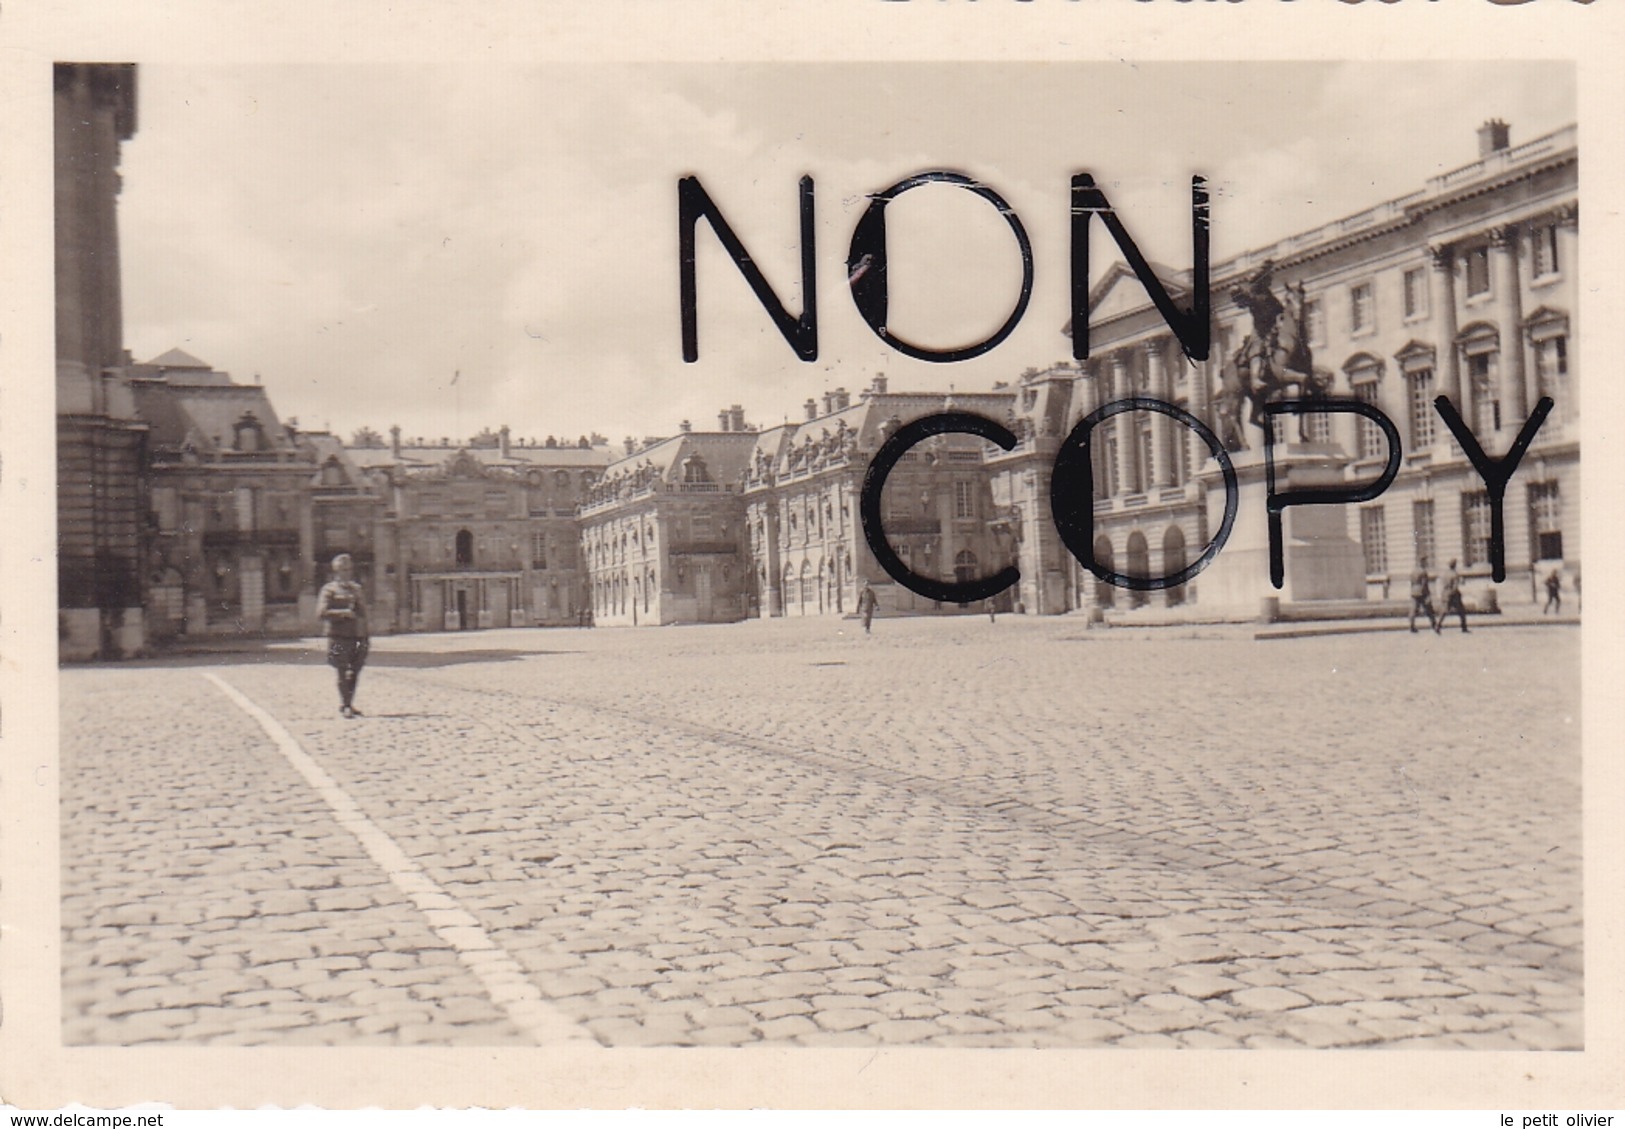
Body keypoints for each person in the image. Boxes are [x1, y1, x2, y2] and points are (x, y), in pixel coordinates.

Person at [317, 553, 370, 718]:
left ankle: (349, 703)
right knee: (342, 671)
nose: (346, 572)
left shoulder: (357, 589)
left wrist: (366, 635)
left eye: (348, 569)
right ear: (336, 571)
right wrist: (343, 613)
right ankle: (345, 704)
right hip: (338, 636)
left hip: (358, 636)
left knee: (355, 671)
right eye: (342, 569)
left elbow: (363, 612)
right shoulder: (329, 589)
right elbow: (321, 613)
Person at [1408, 556, 1437, 634]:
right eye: (1425, 562)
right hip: (1422, 592)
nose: (1426, 563)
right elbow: (1424, 584)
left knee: (1413, 610)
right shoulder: (1423, 572)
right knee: (1429, 609)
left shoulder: (1413, 571)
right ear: (1422, 562)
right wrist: (1428, 594)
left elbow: (1411, 582)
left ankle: (1412, 625)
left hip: (1414, 591)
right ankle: (1434, 625)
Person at [1439, 559, 1469, 634]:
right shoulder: (1455, 574)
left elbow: (1442, 583)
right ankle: (1464, 627)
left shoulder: (1444, 574)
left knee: (1444, 611)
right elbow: (1455, 586)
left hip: (1445, 592)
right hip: (1453, 595)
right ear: (1454, 565)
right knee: (1462, 611)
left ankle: (1438, 625)